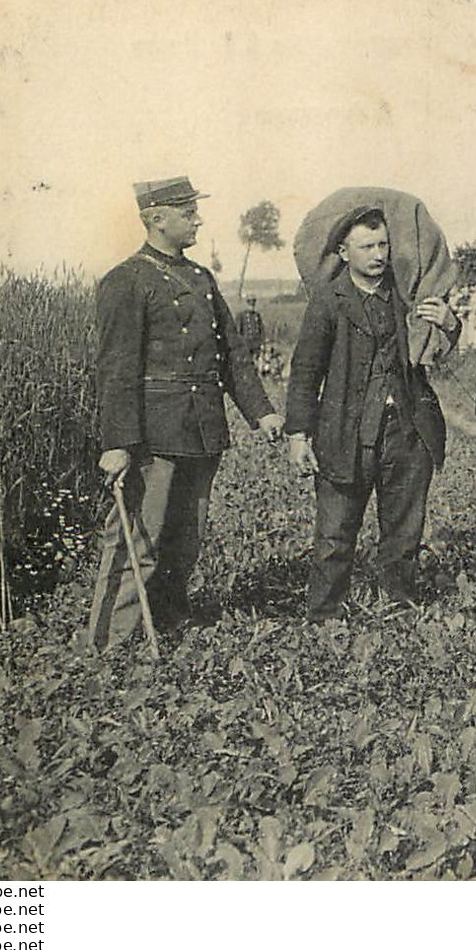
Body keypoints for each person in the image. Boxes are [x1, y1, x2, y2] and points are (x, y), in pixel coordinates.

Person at [89, 176, 284, 649]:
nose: (196, 218)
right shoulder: (125, 280)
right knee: (140, 540)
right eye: (187, 211)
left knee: (185, 539)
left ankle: (169, 621)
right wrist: (116, 443)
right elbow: (115, 368)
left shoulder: (201, 279)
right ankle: (106, 644)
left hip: (201, 429)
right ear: (156, 219)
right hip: (153, 436)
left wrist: (261, 413)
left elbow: (233, 353)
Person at [285, 205, 459, 621]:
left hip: (407, 430)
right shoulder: (329, 301)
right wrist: (298, 435)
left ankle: (398, 605)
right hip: (344, 432)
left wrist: (450, 325)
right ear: (344, 253)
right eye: (366, 247)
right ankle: (325, 616)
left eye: (383, 244)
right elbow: (305, 369)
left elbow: (434, 353)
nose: (378, 254)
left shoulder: (406, 296)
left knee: (404, 528)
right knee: (334, 532)